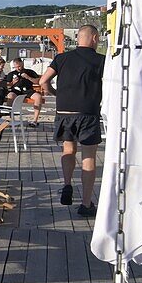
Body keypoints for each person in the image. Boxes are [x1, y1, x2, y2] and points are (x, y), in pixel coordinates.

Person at [38, 25, 105, 216]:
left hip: (64, 111)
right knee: (89, 157)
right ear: (94, 38)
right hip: (88, 113)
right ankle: (86, 203)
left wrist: (56, 94)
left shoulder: (61, 58)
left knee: (68, 150)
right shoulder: (101, 61)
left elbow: (43, 81)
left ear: (78, 38)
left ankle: (67, 184)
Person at [6, 57, 43, 126]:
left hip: (28, 90)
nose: (18, 68)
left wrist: (28, 77)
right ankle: (11, 118)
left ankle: (35, 120)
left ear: (22, 64)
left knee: (38, 97)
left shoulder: (29, 72)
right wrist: (13, 82)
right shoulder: (11, 74)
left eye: (19, 66)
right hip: (16, 90)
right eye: (16, 67)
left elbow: (38, 82)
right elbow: (8, 86)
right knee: (10, 96)